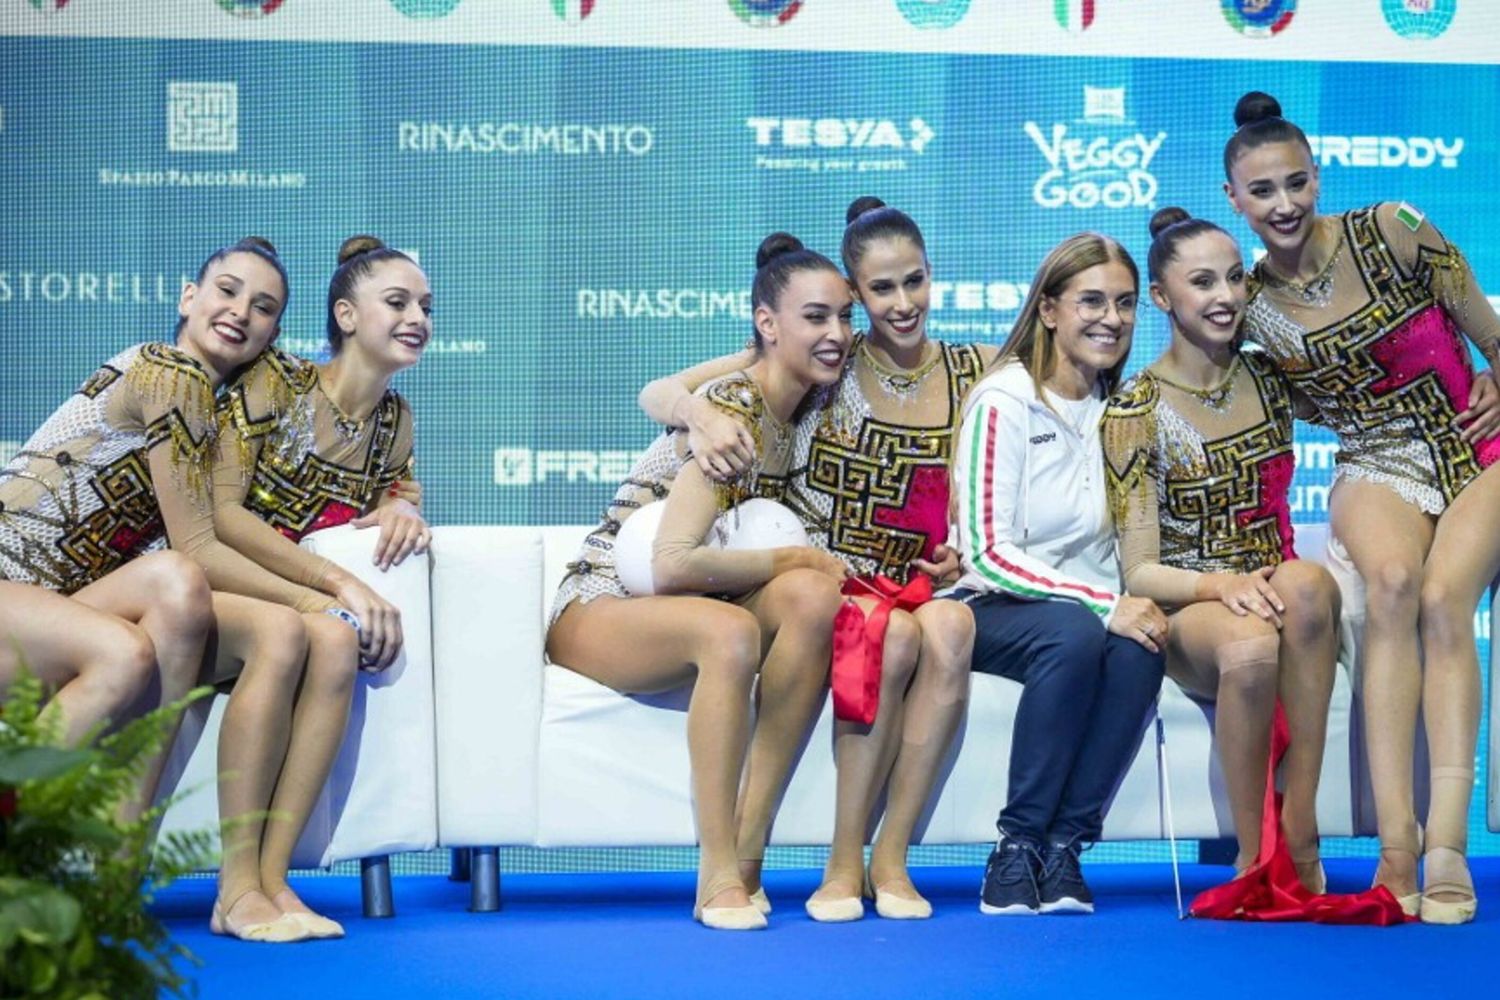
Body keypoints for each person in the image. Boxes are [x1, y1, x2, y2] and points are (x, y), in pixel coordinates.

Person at [0, 237, 360, 943]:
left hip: (59, 611)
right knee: (147, 621)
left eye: (263, 307)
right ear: (186, 299)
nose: (240, 312)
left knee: (248, 620)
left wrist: (397, 501)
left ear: (273, 336)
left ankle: (141, 875)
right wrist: (324, 595)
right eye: (226, 291)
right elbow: (198, 544)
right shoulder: (167, 372)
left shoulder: (217, 408)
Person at [639, 198, 982, 921]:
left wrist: (966, 550)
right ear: (855, 292)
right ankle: (832, 864)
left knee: (942, 631)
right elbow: (661, 391)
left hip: (909, 580)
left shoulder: (970, 365)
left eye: (913, 282)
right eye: (879, 290)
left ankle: (886, 862)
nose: (901, 302)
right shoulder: (823, 358)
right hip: (819, 575)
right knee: (883, 634)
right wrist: (700, 416)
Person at [1225, 91, 1500, 924]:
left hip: (1479, 447)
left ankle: (1447, 845)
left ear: (1319, 175)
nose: (1284, 205)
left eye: (1296, 183)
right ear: (1234, 199)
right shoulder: (1249, 306)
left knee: (1446, 601)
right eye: (1262, 192)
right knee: (1388, 585)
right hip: (1376, 464)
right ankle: (1396, 847)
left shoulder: (1393, 227)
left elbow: (1491, 335)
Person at [546, 233, 851, 930]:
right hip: (605, 602)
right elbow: (671, 563)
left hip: (700, 599)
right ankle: (714, 874)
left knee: (814, 599)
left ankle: (749, 855)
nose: (835, 334)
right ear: (768, 325)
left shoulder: (811, 404)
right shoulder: (735, 408)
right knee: (736, 625)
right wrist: (789, 560)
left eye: (843, 317)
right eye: (815, 318)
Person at [1102, 207, 1339, 893]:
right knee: (1250, 647)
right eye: (1202, 282)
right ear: (1160, 297)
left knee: (1312, 588)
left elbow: (1367, 399)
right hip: (1191, 605)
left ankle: (1300, 825)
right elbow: (1139, 570)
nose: (1226, 296)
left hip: (1272, 584)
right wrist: (1218, 586)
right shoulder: (1135, 410)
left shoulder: (1270, 378)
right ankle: (1255, 852)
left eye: (1235, 278)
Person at [206, 236, 433, 940]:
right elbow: (220, 517)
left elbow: (399, 486)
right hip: (207, 581)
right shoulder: (276, 381)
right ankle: (234, 887)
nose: (417, 317)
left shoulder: (395, 423)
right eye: (397, 302)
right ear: (345, 314)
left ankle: (273, 882)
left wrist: (404, 503)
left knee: (336, 641)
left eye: (426, 306)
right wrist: (336, 582)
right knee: (316, 627)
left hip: (293, 607)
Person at [951, 233, 1166, 916]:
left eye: (1126, 304)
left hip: (1086, 609)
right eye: (1092, 301)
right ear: (1048, 309)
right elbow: (985, 552)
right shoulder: (1004, 401)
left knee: (1139, 649)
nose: (1112, 318)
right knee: (1076, 632)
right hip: (992, 606)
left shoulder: (1125, 407)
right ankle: (1015, 849)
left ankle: (1064, 848)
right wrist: (1103, 605)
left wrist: (1125, 606)